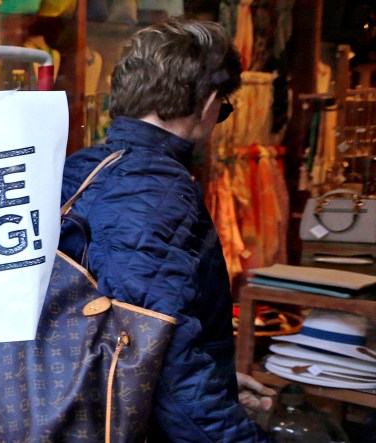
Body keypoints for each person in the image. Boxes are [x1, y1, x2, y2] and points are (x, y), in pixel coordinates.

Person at [59, 18, 276, 441]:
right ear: (210, 100)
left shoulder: (83, 166)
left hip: (76, 401)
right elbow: (159, 355)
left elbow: (125, 318)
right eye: (225, 110)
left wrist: (219, 378)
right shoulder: (155, 186)